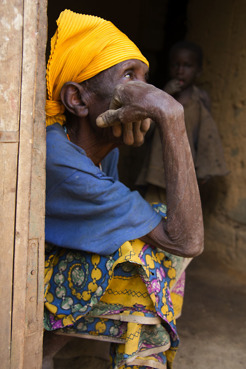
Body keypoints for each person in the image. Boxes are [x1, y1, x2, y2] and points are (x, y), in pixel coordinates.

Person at [43, 10, 204, 369]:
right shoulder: (59, 158)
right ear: (78, 100)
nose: (145, 93)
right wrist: (171, 115)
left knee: (149, 234)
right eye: (129, 76)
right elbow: (187, 240)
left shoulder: (97, 149)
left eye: (146, 79)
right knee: (140, 251)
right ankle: (44, 349)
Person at [136, 41, 228, 203]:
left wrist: (204, 167)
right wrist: (164, 95)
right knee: (154, 210)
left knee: (181, 212)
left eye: (187, 66)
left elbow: (207, 136)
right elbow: (146, 129)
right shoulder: (162, 96)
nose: (180, 71)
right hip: (158, 169)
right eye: (175, 65)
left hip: (186, 171)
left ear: (198, 71)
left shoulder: (200, 100)